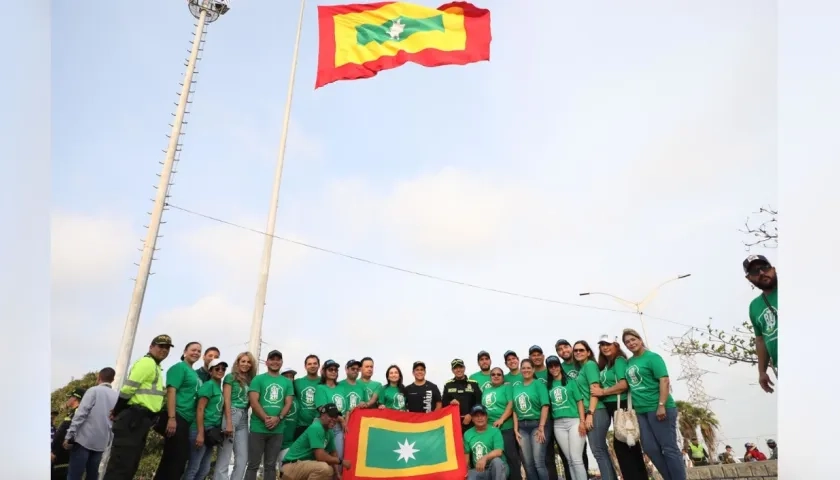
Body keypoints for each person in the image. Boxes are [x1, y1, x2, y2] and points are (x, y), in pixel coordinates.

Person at [104, 334, 172, 480]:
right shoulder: (147, 363)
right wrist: (117, 411)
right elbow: (128, 389)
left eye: (167, 348)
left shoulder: (156, 367)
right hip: (132, 419)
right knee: (121, 467)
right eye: (161, 346)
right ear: (151, 347)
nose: (164, 350)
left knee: (129, 466)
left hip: (140, 421)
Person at [622, 328, 685, 480]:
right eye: (627, 342)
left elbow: (664, 380)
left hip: (659, 408)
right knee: (650, 448)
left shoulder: (652, 357)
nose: (631, 343)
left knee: (668, 448)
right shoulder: (629, 362)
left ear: (640, 340)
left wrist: (661, 404)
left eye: (633, 339)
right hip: (641, 412)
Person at [591, 334, 648, 479]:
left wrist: (602, 391)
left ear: (616, 345)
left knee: (626, 446)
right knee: (623, 447)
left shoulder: (619, 361)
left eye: (608, 344)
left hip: (621, 406)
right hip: (611, 408)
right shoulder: (605, 365)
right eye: (602, 344)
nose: (605, 347)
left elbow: (624, 384)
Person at [156, 341, 202, 480]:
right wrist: (171, 418)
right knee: (173, 461)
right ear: (185, 352)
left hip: (187, 420)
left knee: (179, 461)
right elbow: (171, 391)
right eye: (193, 350)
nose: (196, 353)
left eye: (199, 351)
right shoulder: (179, 368)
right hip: (177, 416)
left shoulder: (194, 373)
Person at [246, 350, 294, 480]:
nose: (275, 362)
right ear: (267, 362)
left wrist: (278, 419)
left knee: (271, 465)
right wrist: (266, 418)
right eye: (272, 359)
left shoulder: (287, 382)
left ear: (281, 362)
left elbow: (288, 403)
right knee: (253, 464)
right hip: (258, 428)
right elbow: (254, 402)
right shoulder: (258, 379)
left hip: (277, 430)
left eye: (278, 359)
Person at [573, 340, 616, 480]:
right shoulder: (582, 368)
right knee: (600, 450)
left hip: (596, 411)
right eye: (576, 350)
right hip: (592, 411)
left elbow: (595, 391)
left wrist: (590, 414)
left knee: (598, 450)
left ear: (588, 352)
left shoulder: (590, 366)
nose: (578, 352)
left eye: (581, 350)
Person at [65, 367, 119, 480]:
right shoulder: (116, 396)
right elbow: (115, 420)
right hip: (101, 443)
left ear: (99, 377)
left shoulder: (93, 391)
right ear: (112, 380)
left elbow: (80, 414)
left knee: (74, 475)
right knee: (92, 475)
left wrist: (69, 436)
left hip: (84, 440)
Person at [214, 351, 258, 480]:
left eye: (248, 362)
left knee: (242, 459)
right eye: (243, 361)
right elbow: (226, 399)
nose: (246, 364)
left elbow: (250, 401)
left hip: (244, 417)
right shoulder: (230, 377)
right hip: (231, 414)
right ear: (238, 363)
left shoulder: (251, 381)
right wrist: (228, 422)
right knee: (225, 457)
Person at [281, 403, 351, 480]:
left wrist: (337, 474)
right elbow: (320, 456)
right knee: (324, 468)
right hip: (290, 467)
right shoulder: (316, 427)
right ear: (323, 415)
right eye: (331, 416)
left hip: (303, 466)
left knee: (328, 471)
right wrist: (341, 461)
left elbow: (333, 453)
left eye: (336, 416)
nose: (334, 419)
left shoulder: (329, 431)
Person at [184, 358, 228, 480]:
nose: (220, 371)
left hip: (211, 432)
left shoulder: (218, 387)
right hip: (201, 429)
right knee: (193, 467)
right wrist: (200, 433)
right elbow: (200, 409)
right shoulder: (208, 386)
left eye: (223, 369)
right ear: (210, 371)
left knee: (204, 469)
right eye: (217, 368)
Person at [546, 356, 587, 480]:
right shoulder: (549, 385)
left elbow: (579, 401)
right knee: (569, 460)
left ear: (560, 366)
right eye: (551, 367)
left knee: (576, 459)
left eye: (556, 365)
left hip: (574, 421)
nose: (554, 369)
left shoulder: (570, 381)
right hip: (558, 424)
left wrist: (582, 421)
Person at [554, 339, 591, 478]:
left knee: (587, 453)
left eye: (566, 347)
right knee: (572, 458)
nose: (564, 351)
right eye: (560, 350)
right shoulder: (560, 369)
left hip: (588, 410)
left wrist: (583, 419)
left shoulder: (581, 362)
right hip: (570, 414)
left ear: (571, 347)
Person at [743, 254, 778, 393]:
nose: (762, 273)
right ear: (749, 278)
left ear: (773, 269)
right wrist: (761, 371)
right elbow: (761, 339)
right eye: (754, 271)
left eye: (764, 267)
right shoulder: (754, 306)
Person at [512, 359, 551, 480]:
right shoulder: (517, 387)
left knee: (538, 462)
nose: (526, 370)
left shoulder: (538, 384)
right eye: (523, 368)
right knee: (528, 464)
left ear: (533, 369)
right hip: (522, 428)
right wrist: (515, 429)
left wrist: (541, 427)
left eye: (529, 368)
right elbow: (514, 410)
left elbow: (545, 406)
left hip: (537, 425)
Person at [481, 366, 521, 480]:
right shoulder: (486, 390)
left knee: (511, 458)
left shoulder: (506, 388)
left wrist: (502, 419)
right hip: (490, 430)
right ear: (490, 377)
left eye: (499, 374)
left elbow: (511, 404)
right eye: (493, 374)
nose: (496, 376)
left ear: (503, 377)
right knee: (496, 460)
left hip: (505, 428)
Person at [463, 405, 509, 480]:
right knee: (469, 476)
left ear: (487, 417)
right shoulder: (467, 434)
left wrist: (484, 458)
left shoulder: (495, 431)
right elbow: (466, 457)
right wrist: (465, 471)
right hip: (480, 470)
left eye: (482, 415)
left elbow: (499, 451)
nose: (480, 418)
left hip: (498, 469)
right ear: (472, 418)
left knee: (497, 461)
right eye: (476, 416)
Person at [315, 359, 347, 464]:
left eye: (335, 370)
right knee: (324, 460)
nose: (333, 372)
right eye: (330, 369)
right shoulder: (320, 388)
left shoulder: (341, 388)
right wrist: (341, 419)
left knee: (338, 458)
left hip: (339, 429)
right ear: (324, 371)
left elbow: (345, 408)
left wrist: (344, 420)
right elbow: (323, 409)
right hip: (325, 427)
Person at [52, 388, 85, 479]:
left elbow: (63, 432)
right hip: (66, 454)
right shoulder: (74, 412)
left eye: (69, 397)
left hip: (65, 454)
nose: (68, 399)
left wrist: (54, 451)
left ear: (74, 398)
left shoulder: (77, 412)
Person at [442, 358, 483, 429]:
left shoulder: (473, 383)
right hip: (454, 422)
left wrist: (471, 415)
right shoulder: (448, 384)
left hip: (472, 421)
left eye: (460, 367)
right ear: (452, 370)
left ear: (464, 368)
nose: (458, 370)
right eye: (455, 368)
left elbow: (479, 402)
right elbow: (443, 403)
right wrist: (450, 402)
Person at [294, 354, 322, 439]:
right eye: (309, 364)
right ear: (305, 366)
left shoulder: (324, 382)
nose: (312, 366)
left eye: (315, 363)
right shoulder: (297, 382)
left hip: (319, 425)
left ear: (318, 365)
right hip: (300, 426)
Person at [278, 367, 300, 465]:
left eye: (291, 377)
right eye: (286, 376)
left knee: (286, 472)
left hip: (289, 443)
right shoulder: (277, 395)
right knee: (269, 471)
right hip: (274, 440)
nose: (289, 379)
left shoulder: (296, 397)